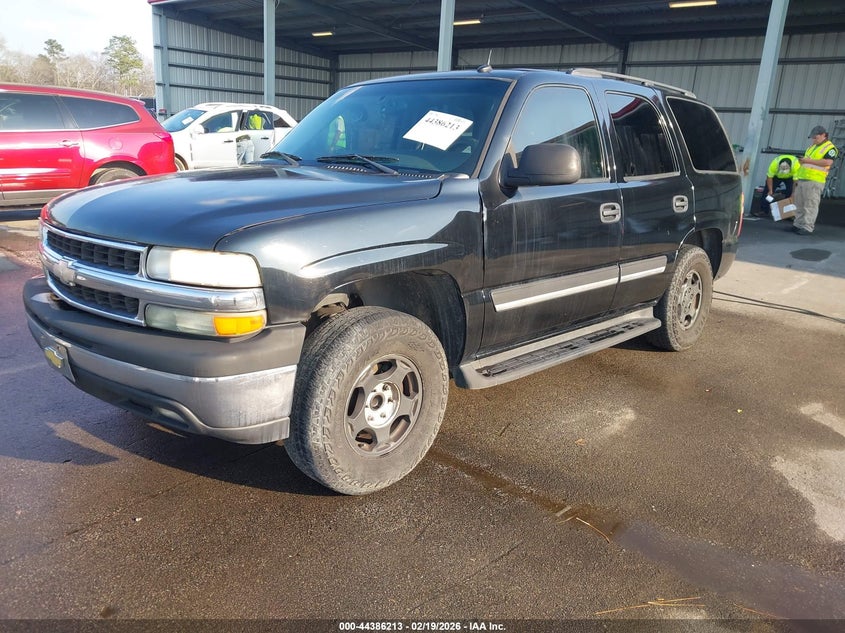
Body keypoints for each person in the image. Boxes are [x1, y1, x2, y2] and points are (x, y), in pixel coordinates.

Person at [791, 125, 838, 235]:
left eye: (815, 137)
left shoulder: (830, 148)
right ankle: (798, 224)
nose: (813, 139)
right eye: (812, 138)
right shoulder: (812, 147)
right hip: (803, 178)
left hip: (815, 180)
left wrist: (807, 161)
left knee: (810, 205)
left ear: (823, 135)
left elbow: (828, 162)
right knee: (800, 204)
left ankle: (807, 227)